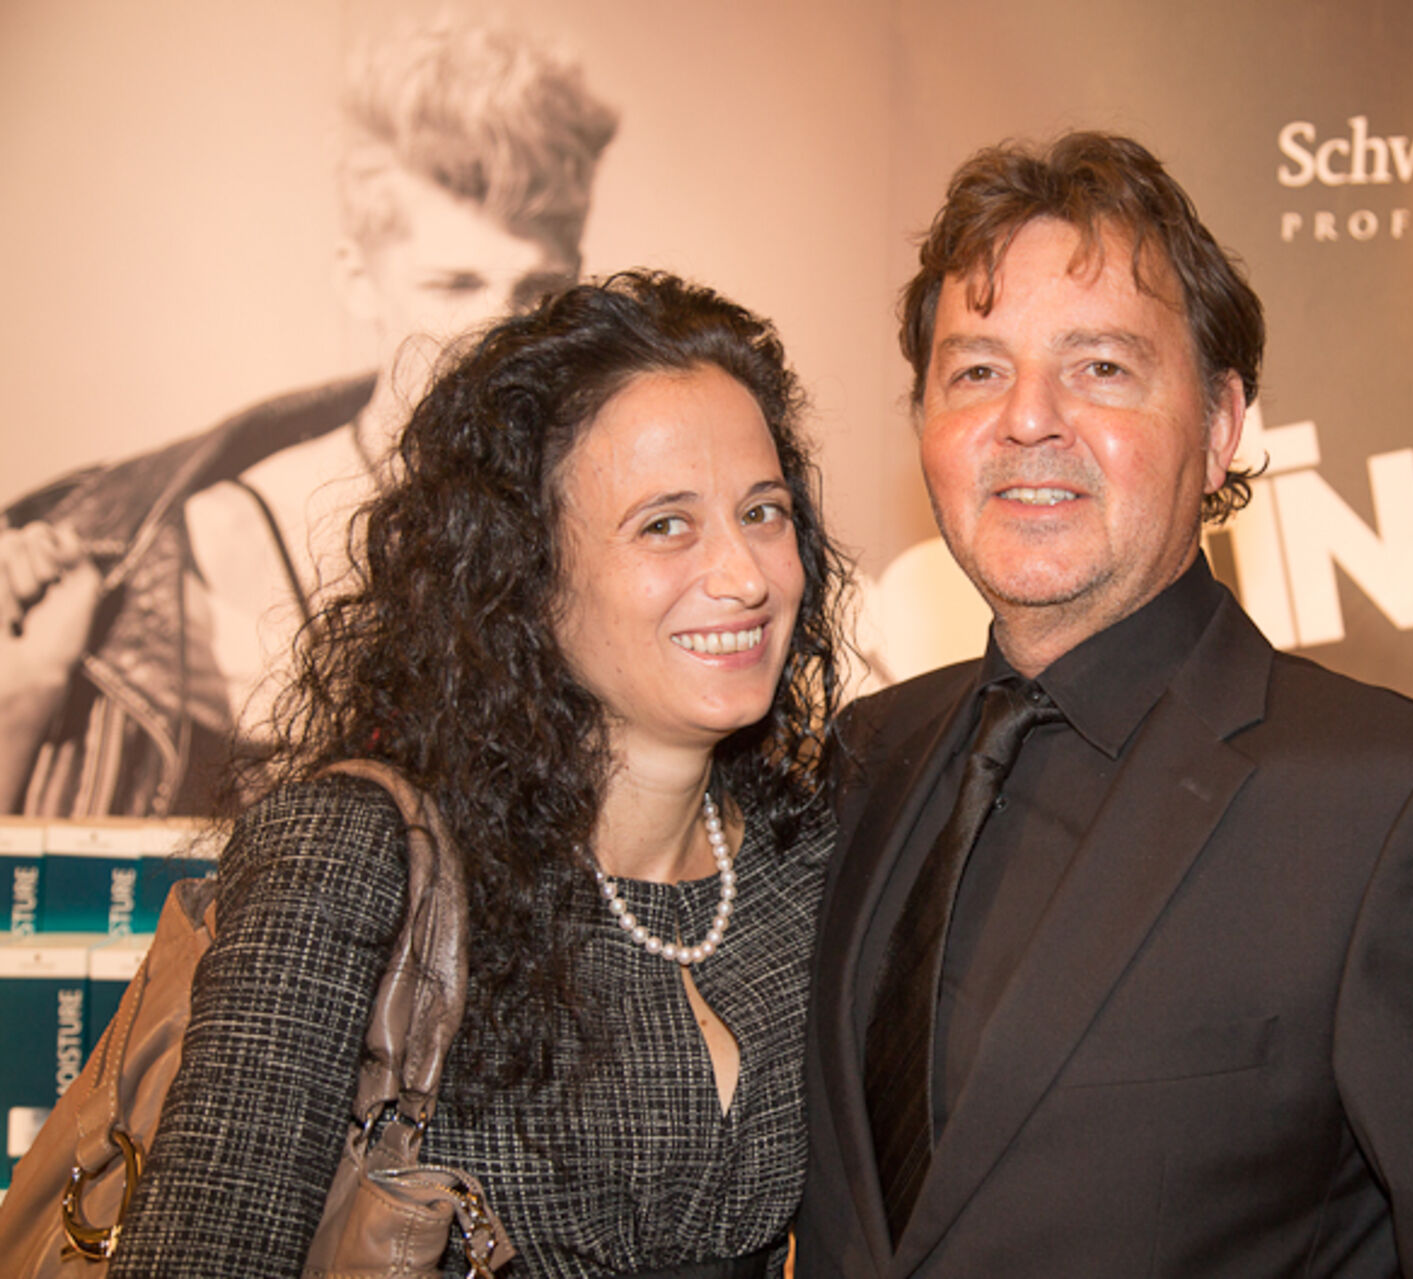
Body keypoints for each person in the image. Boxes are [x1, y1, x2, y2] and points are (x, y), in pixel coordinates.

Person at [794, 133, 1413, 1277]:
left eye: (1102, 367)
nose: (1028, 418)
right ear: (925, 424)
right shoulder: (863, 756)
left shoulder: (1394, 809)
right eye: (977, 372)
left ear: (1219, 425)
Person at [98, 270, 852, 1276]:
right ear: (522, 569)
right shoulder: (354, 856)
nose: (747, 575)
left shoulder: (812, 856)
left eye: (763, 511)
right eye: (665, 524)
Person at [0, 19, 617, 818]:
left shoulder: (610, 529)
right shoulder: (187, 551)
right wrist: (23, 697)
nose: (501, 331)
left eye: (540, 289)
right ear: (358, 279)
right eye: (453, 284)